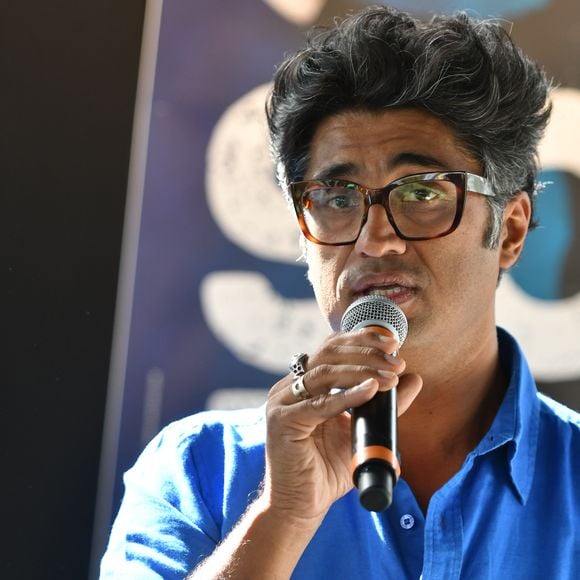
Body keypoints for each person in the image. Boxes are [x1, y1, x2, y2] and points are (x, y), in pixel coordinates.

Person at [101, 6, 580, 579]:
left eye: (422, 193)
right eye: (337, 196)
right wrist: (282, 513)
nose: (375, 240)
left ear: (511, 229)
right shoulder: (200, 470)